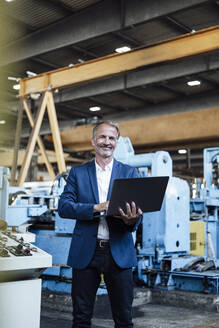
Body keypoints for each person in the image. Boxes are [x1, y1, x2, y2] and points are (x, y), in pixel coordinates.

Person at [58, 121, 142, 328]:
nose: (107, 142)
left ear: (117, 142)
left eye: (111, 138)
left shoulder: (130, 173)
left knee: (124, 319)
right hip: (86, 251)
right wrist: (97, 207)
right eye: (103, 137)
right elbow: (64, 207)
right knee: (81, 317)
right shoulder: (78, 173)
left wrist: (132, 219)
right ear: (94, 141)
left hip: (119, 252)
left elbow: (138, 217)